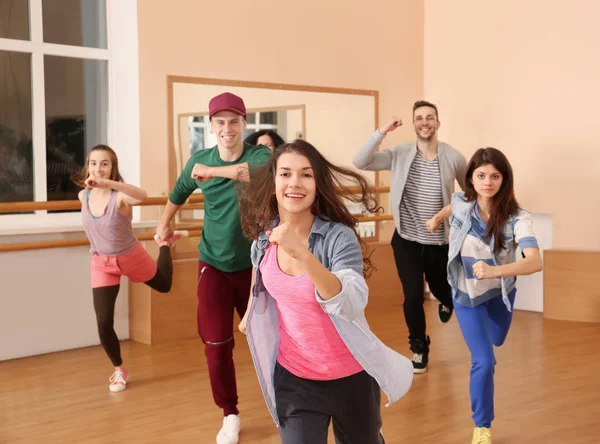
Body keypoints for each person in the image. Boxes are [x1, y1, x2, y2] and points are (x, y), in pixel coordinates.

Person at [237, 139, 413, 444]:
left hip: (352, 376)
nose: (295, 183)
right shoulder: (264, 241)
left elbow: (352, 303)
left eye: (306, 175)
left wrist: (303, 255)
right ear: (273, 181)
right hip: (295, 379)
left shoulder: (337, 237)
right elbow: (261, 281)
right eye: (285, 174)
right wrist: (250, 314)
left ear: (318, 184)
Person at [155, 92, 271, 444]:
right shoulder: (197, 161)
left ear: (243, 124)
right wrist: (164, 225)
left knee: (270, 340)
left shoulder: (260, 154)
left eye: (233, 121)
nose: (226, 128)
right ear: (211, 126)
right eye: (219, 122)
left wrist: (210, 172)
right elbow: (177, 193)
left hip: (256, 265)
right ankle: (230, 413)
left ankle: (286, 401)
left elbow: (253, 173)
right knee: (217, 343)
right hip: (214, 264)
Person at [426, 147, 543, 444]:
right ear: (471, 179)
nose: (487, 182)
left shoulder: (518, 218)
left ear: (504, 179)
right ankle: (482, 427)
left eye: (494, 176)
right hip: (466, 294)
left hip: (500, 292)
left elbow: (534, 261)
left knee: (498, 338)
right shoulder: (462, 202)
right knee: (484, 360)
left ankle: (491, 335)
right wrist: (437, 219)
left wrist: (495, 272)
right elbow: (451, 207)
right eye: (480, 176)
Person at [353, 100, 467, 373]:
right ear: (414, 123)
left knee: (442, 289)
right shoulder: (400, 153)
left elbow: (469, 195)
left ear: (437, 124)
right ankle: (419, 347)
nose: (425, 122)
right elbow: (361, 161)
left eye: (430, 118)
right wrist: (381, 131)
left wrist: (450, 218)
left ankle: (446, 301)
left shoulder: (454, 157)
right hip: (406, 240)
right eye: (419, 118)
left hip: (440, 242)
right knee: (412, 295)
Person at [76, 144, 179, 393]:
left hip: (130, 256)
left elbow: (141, 195)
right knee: (103, 321)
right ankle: (119, 370)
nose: (98, 168)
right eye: (93, 163)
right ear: (87, 166)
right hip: (102, 262)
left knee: (164, 286)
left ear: (112, 168)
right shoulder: (84, 196)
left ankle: (164, 245)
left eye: (104, 164)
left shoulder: (120, 197)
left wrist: (111, 184)